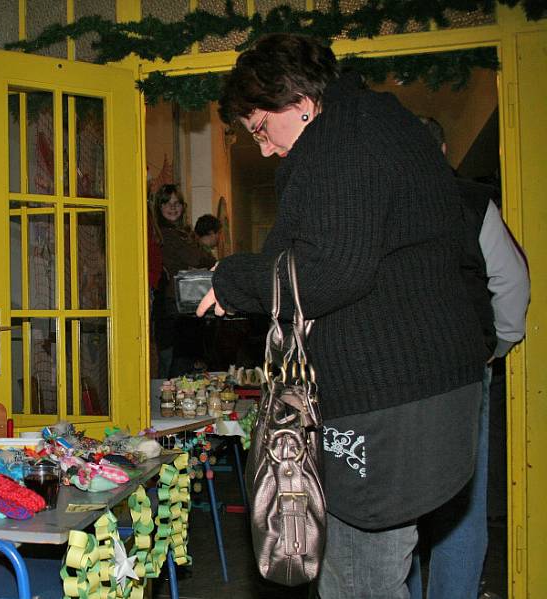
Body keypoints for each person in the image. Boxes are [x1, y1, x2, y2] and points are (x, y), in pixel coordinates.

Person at [197, 33, 489, 598]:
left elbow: (332, 270)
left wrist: (233, 279)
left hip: (387, 406)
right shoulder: (378, 126)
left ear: (295, 100)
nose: (261, 147)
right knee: (374, 572)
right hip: (423, 393)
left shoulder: (344, 137)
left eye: (259, 127)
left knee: (357, 582)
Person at [405, 117, 530, 599]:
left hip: (400, 374)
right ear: (443, 147)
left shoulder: (383, 198)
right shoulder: (472, 200)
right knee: (463, 503)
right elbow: (511, 280)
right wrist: (495, 345)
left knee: (403, 504)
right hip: (462, 367)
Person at [152, 184, 216, 378]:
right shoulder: (166, 235)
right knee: (173, 368)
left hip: (181, 309)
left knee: (179, 368)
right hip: (172, 310)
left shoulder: (181, 233)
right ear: (158, 207)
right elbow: (200, 259)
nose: (173, 207)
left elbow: (204, 260)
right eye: (167, 203)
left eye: (177, 202)